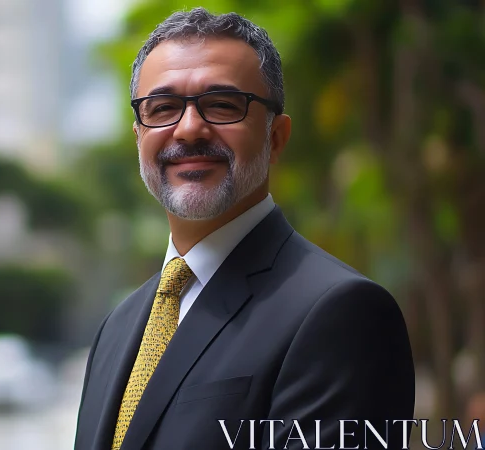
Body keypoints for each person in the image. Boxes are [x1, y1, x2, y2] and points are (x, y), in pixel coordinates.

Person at [74, 8, 415, 450]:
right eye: (162, 108)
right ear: (139, 135)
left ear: (276, 137)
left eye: (221, 105)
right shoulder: (116, 329)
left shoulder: (342, 314)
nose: (189, 128)